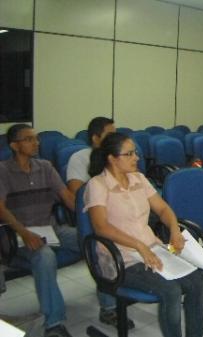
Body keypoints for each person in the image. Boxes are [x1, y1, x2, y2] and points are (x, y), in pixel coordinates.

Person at [84, 132, 203, 337]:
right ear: (112, 158)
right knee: (171, 291)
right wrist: (139, 246)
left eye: (136, 152)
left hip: (153, 250)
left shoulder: (139, 178)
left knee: (198, 281)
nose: (136, 157)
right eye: (129, 154)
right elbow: (101, 228)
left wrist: (175, 231)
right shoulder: (97, 185)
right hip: (122, 259)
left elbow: (164, 210)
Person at [0, 124, 79, 337]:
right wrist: (24, 233)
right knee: (44, 257)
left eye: (36, 139)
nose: (36, 143)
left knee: (92, 240)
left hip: (50, 229)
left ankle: (109, 305)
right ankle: (54, 323)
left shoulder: (45, 166)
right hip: (16, 234)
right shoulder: (3, 171)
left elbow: (67, 197)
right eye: (29, 139)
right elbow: (1, 209)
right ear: (14, 146)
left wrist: (89, 219)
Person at [65, 117, 136, 329]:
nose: (115, 136)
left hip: (120, 213)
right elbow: (77, 193)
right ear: (95, 138)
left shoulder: (116, 157)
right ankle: (108, 308)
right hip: (94, 216)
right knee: (104, 247)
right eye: (108, 133)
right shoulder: (79, 158)